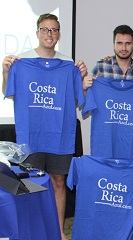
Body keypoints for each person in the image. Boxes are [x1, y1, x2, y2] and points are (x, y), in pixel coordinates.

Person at [1, 13, 87, 240]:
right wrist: (6, 72)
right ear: (37, 32)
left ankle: (58, 232)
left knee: (58, 181)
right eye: (45, 29)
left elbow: (78, 99)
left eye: (54, 30)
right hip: (31, 137)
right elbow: (8, 93)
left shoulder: (68, 65)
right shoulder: (21, 61)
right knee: (29, 185)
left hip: (60, 136)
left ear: (59, 34)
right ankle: (32, 233)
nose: (50, 34)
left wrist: (82, 78)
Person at [82, 25, 133, 95]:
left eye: (128, 43)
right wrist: (84, 89)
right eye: (120, 43)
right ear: (113, 45)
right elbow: (90, 98)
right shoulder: (100, 67)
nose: (124, 48)